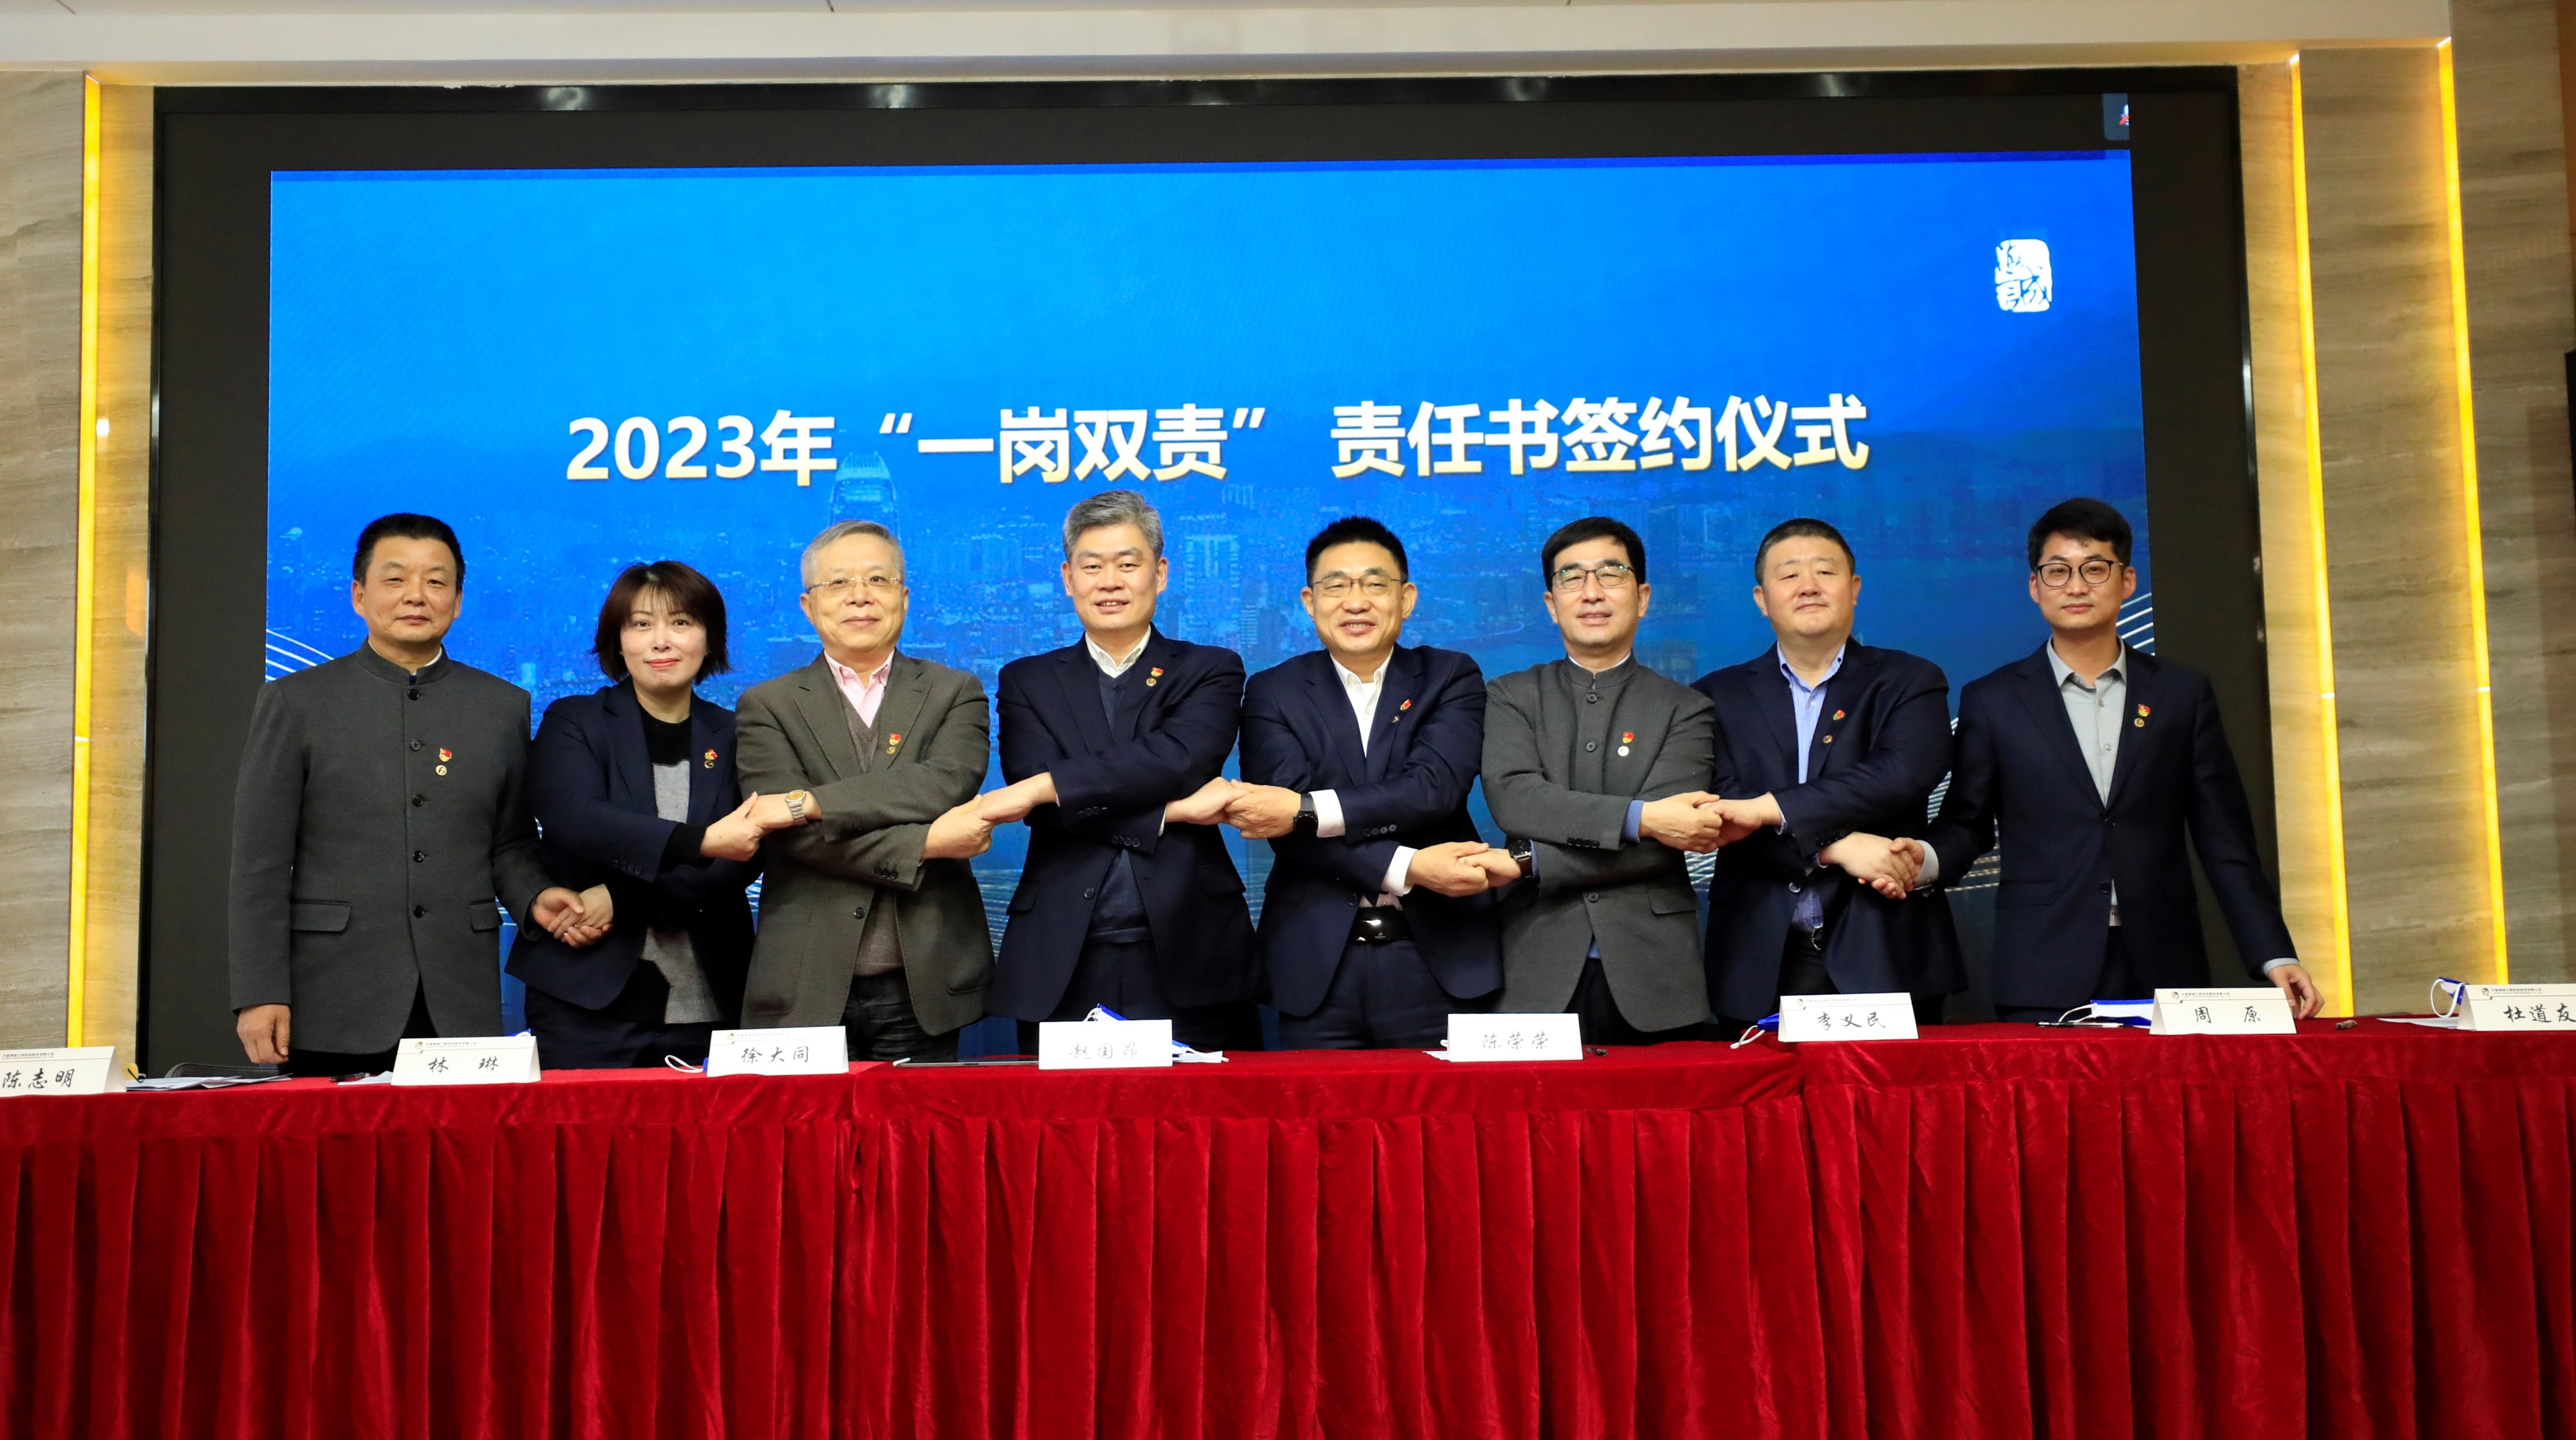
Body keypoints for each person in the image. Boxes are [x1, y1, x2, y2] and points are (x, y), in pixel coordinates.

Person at [1915, 497, 2325, 1021]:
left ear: (2127, 580)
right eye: (2058, 571)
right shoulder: (1993, 701)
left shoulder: (2181, 694)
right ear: (2035, 587)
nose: (2076, 586)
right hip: (2042, 963)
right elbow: (1967, 822)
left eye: (2095, 569)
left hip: (2165, 961)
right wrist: (1920, 861)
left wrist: (2274, 953)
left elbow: (2225, 839)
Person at [230, 513, 596, 1076]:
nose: (416, 596)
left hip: (458, 992)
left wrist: (534, 896)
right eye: (395, 579)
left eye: (436, 581)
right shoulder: (296, 702)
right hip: (332, 994)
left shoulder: (502, 707)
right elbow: (260, 863)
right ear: (359, 595)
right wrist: (260, 992)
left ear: (458, 601)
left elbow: (510, 843)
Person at [977, 490, 1259, 1052]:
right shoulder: (1027, 681)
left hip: (1193, 946)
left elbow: (1178, 760)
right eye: (1092, 567)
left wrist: (1050, 786)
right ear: (1068, 578)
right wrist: (1174, 813)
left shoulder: (1210, 669)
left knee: (1206, 1107)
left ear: (1160, 573)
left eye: (1128, 565)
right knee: (1059, 1112)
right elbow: (1045, 812)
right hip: (1060, 952)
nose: (1110, 582)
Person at [1228, 517, 1502, 1048]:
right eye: (1336, 586)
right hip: (1314, 963)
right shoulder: (1272, 692)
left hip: (1441, 955)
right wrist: (1411, 867)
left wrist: (1308, 810)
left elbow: (1433, 790)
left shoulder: (1450, 676)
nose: (1356, 602)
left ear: (1406, 599)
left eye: (1375, 584)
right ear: (1310, 602)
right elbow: (1286, 830)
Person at [732, 521, 995, 1062]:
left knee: (922, 1122)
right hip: (805, 979)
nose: (860, 596)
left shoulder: (955, 692)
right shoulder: (767, 706)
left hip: (926, 979)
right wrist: (926, 843)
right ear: (809, 606)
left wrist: (811, 803)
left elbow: (943, 785)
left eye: (878, 579)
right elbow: (791, 838)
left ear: (904, 597)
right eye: (838, 583)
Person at [511, 561, 790, 1069]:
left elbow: (741, 857)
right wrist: (698, 842)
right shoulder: (576, 720)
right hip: (583, 1001)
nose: (662, 641)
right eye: (641, 624)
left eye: (681, 623)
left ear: (710, 640)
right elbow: (575, 819)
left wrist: (622, 898)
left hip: (712, 999)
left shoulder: (738, 735)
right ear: (618, 642)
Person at [1691, 518, 1962, 1032]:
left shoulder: (1911, 680)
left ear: (1854, 588)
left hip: (1887, 950)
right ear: (1762, 598)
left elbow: (1902, 774)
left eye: (1825, 571)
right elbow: (1723, 810)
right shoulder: (1713, 697)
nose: (1809, 586)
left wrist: (1772, 809)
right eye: (1789, 575)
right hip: (1757, 957)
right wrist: (1833, 849)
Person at [1469, 516, 1725, 1044]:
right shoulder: (1513, 695)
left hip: (1657, 970)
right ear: (1551, 604)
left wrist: (1531, 861)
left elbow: (1667, 841)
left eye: (1611, 574)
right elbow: (1516, 801)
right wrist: (1641, 818)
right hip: (1534, 961)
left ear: (1643, 596)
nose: (1592, 593)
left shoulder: (1687, 709)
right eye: (1572, 577)